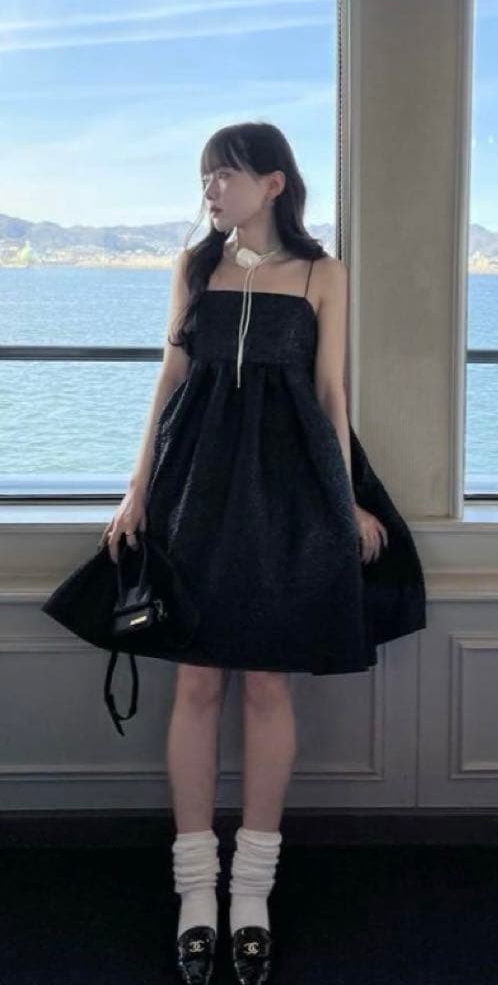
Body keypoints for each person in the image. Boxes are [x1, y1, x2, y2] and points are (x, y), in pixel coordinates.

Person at [98, 120, 426, 985]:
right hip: (193, 486)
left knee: (268, 685)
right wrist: (137, 488)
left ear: (273, 183)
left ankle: (252, 891)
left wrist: (345, 496)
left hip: (285, 492)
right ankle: (194, 891)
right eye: (205, 176)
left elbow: (330, 392)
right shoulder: (193, 267)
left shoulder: (322, 273)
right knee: (197, 683)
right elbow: (169, 379)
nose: (211, 189)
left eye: (226, 175)